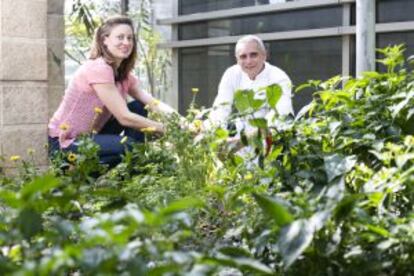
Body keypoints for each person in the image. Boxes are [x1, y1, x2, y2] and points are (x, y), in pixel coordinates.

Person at [48, 16, 175, 168]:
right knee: (130, 146)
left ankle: (132, 167)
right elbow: (124, 117)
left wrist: (182, 122)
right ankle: (86, 174)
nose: (126, 43)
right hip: (65, 141)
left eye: (130, 38)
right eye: (120, 37)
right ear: (105, 40)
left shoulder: (123, 74)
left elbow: (152, 102)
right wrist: (165, 129)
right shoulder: (98, 68)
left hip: (90, 136)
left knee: (138, 107)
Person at [206, 35, 294, 148]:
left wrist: (242, 141)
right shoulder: (231, 74)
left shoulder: (278, 77)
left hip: (270, 143)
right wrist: (211, 133)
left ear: (264, 55)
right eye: (243, 56)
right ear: (237, 60)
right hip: (238, 140)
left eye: (253, 55)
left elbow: (281, 117)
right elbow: (221, 109)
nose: (248, 61)